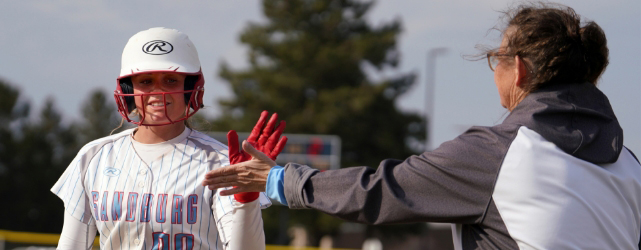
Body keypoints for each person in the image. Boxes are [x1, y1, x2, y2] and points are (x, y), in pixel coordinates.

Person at [202, 4, 641, 249]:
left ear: (519, 70)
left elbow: (380, 190)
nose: (493, 74)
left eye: (495, 60)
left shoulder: (501, 152)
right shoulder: (628, 163)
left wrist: (279, 179)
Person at [51, 27, 287, 249]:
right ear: (128, 90)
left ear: (192, 87)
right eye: (145, 81)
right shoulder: (94, 157)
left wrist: (246, 200)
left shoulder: (221, 162)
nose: (158, 91)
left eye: (171, 80)